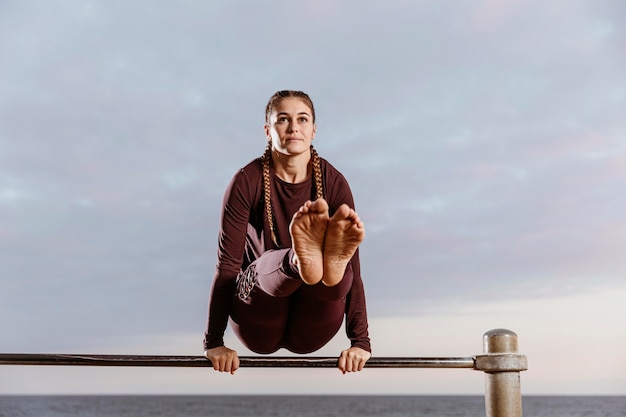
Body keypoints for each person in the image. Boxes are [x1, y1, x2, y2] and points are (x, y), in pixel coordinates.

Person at [203, 90, 371, 374]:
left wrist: (360, 342)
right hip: (257, 313)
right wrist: (214, 341)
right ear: (268, 131)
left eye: (302, 119)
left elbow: (353, 264)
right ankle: (297, 261)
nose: (294, 127)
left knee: (339, 271)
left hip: (314, 319)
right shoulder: (248, 180)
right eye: (283, 119)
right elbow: (229, 265)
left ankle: (316, 265)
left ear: (314, 130)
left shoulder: (333, 182)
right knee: (288, 264)